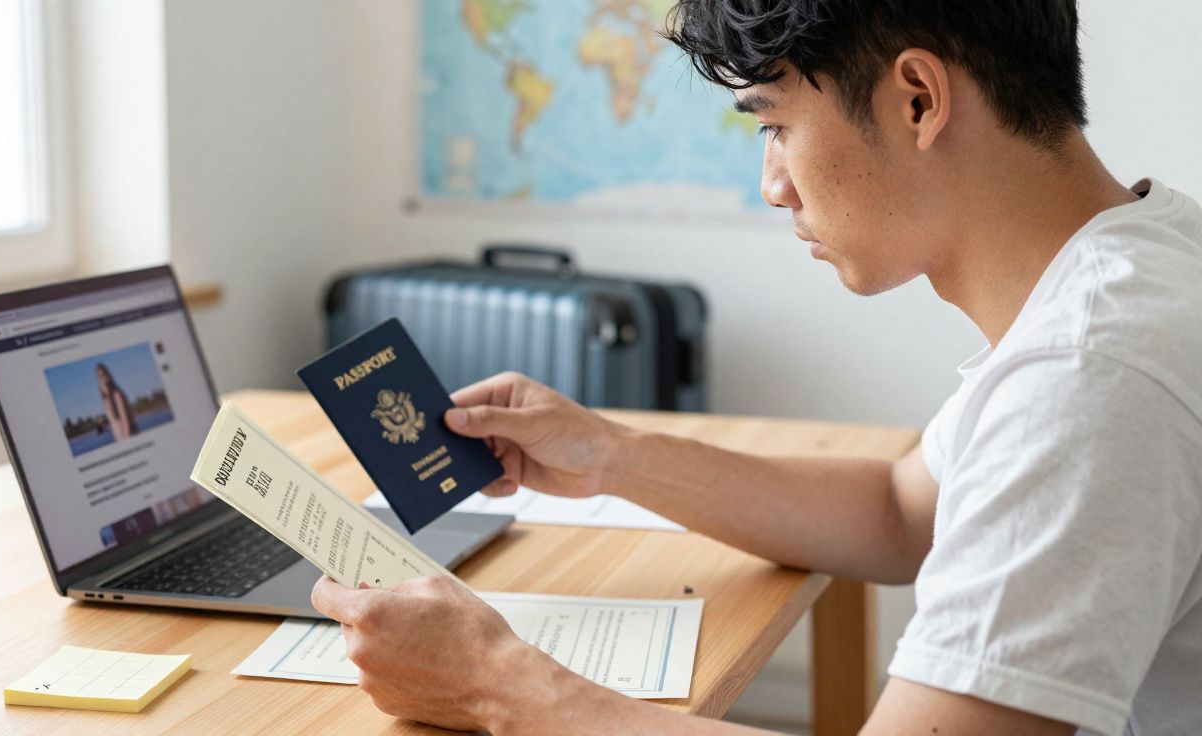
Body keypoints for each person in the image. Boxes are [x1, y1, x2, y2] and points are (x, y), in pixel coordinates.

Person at [311, 1, 1202, 733]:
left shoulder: (1089, 375)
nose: (773, 183)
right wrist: (609, 454)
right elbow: (898, 514)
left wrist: (495, 682)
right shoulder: (1148, 257)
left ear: (919, 100)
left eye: (776, 124)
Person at [96, 363, 138, 441]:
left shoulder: (116, 394)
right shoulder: (106, 399)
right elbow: (112, 421)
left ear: (108, 375)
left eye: (103, 375)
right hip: (119, 438)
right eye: (99, 377)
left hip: (128, 435)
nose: (102, 378)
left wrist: (126, 440)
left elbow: (125, 420)